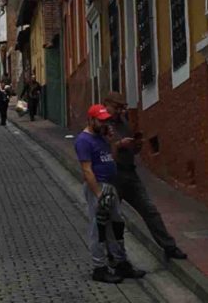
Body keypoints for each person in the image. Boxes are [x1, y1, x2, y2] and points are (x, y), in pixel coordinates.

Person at [102, 92, 188, 260]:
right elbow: (104, 150)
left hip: (130, 173)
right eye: (117, 107)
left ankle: (169, 247)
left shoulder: (124, 122)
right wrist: (119, 144)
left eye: (122, 107)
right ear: (107, 105)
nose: (120, 111)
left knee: (150, 210)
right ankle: (113, 254)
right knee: (112, 216)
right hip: (113, 175)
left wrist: (136, 145)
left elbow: (132, 150)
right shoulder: (103, 124)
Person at [76, 104, 145, 283]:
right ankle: (99, 267)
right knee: (98, 227)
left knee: (117, 225)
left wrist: (110, 142)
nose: (104, 123)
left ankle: (120, 261)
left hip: (110, 185)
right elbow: (87, 170)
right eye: (101, 120)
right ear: (91, 120)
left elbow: (110, 157)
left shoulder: (101, 137)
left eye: (106, 120)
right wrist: (98, 193)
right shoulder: (83, 140)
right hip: (98, 186)